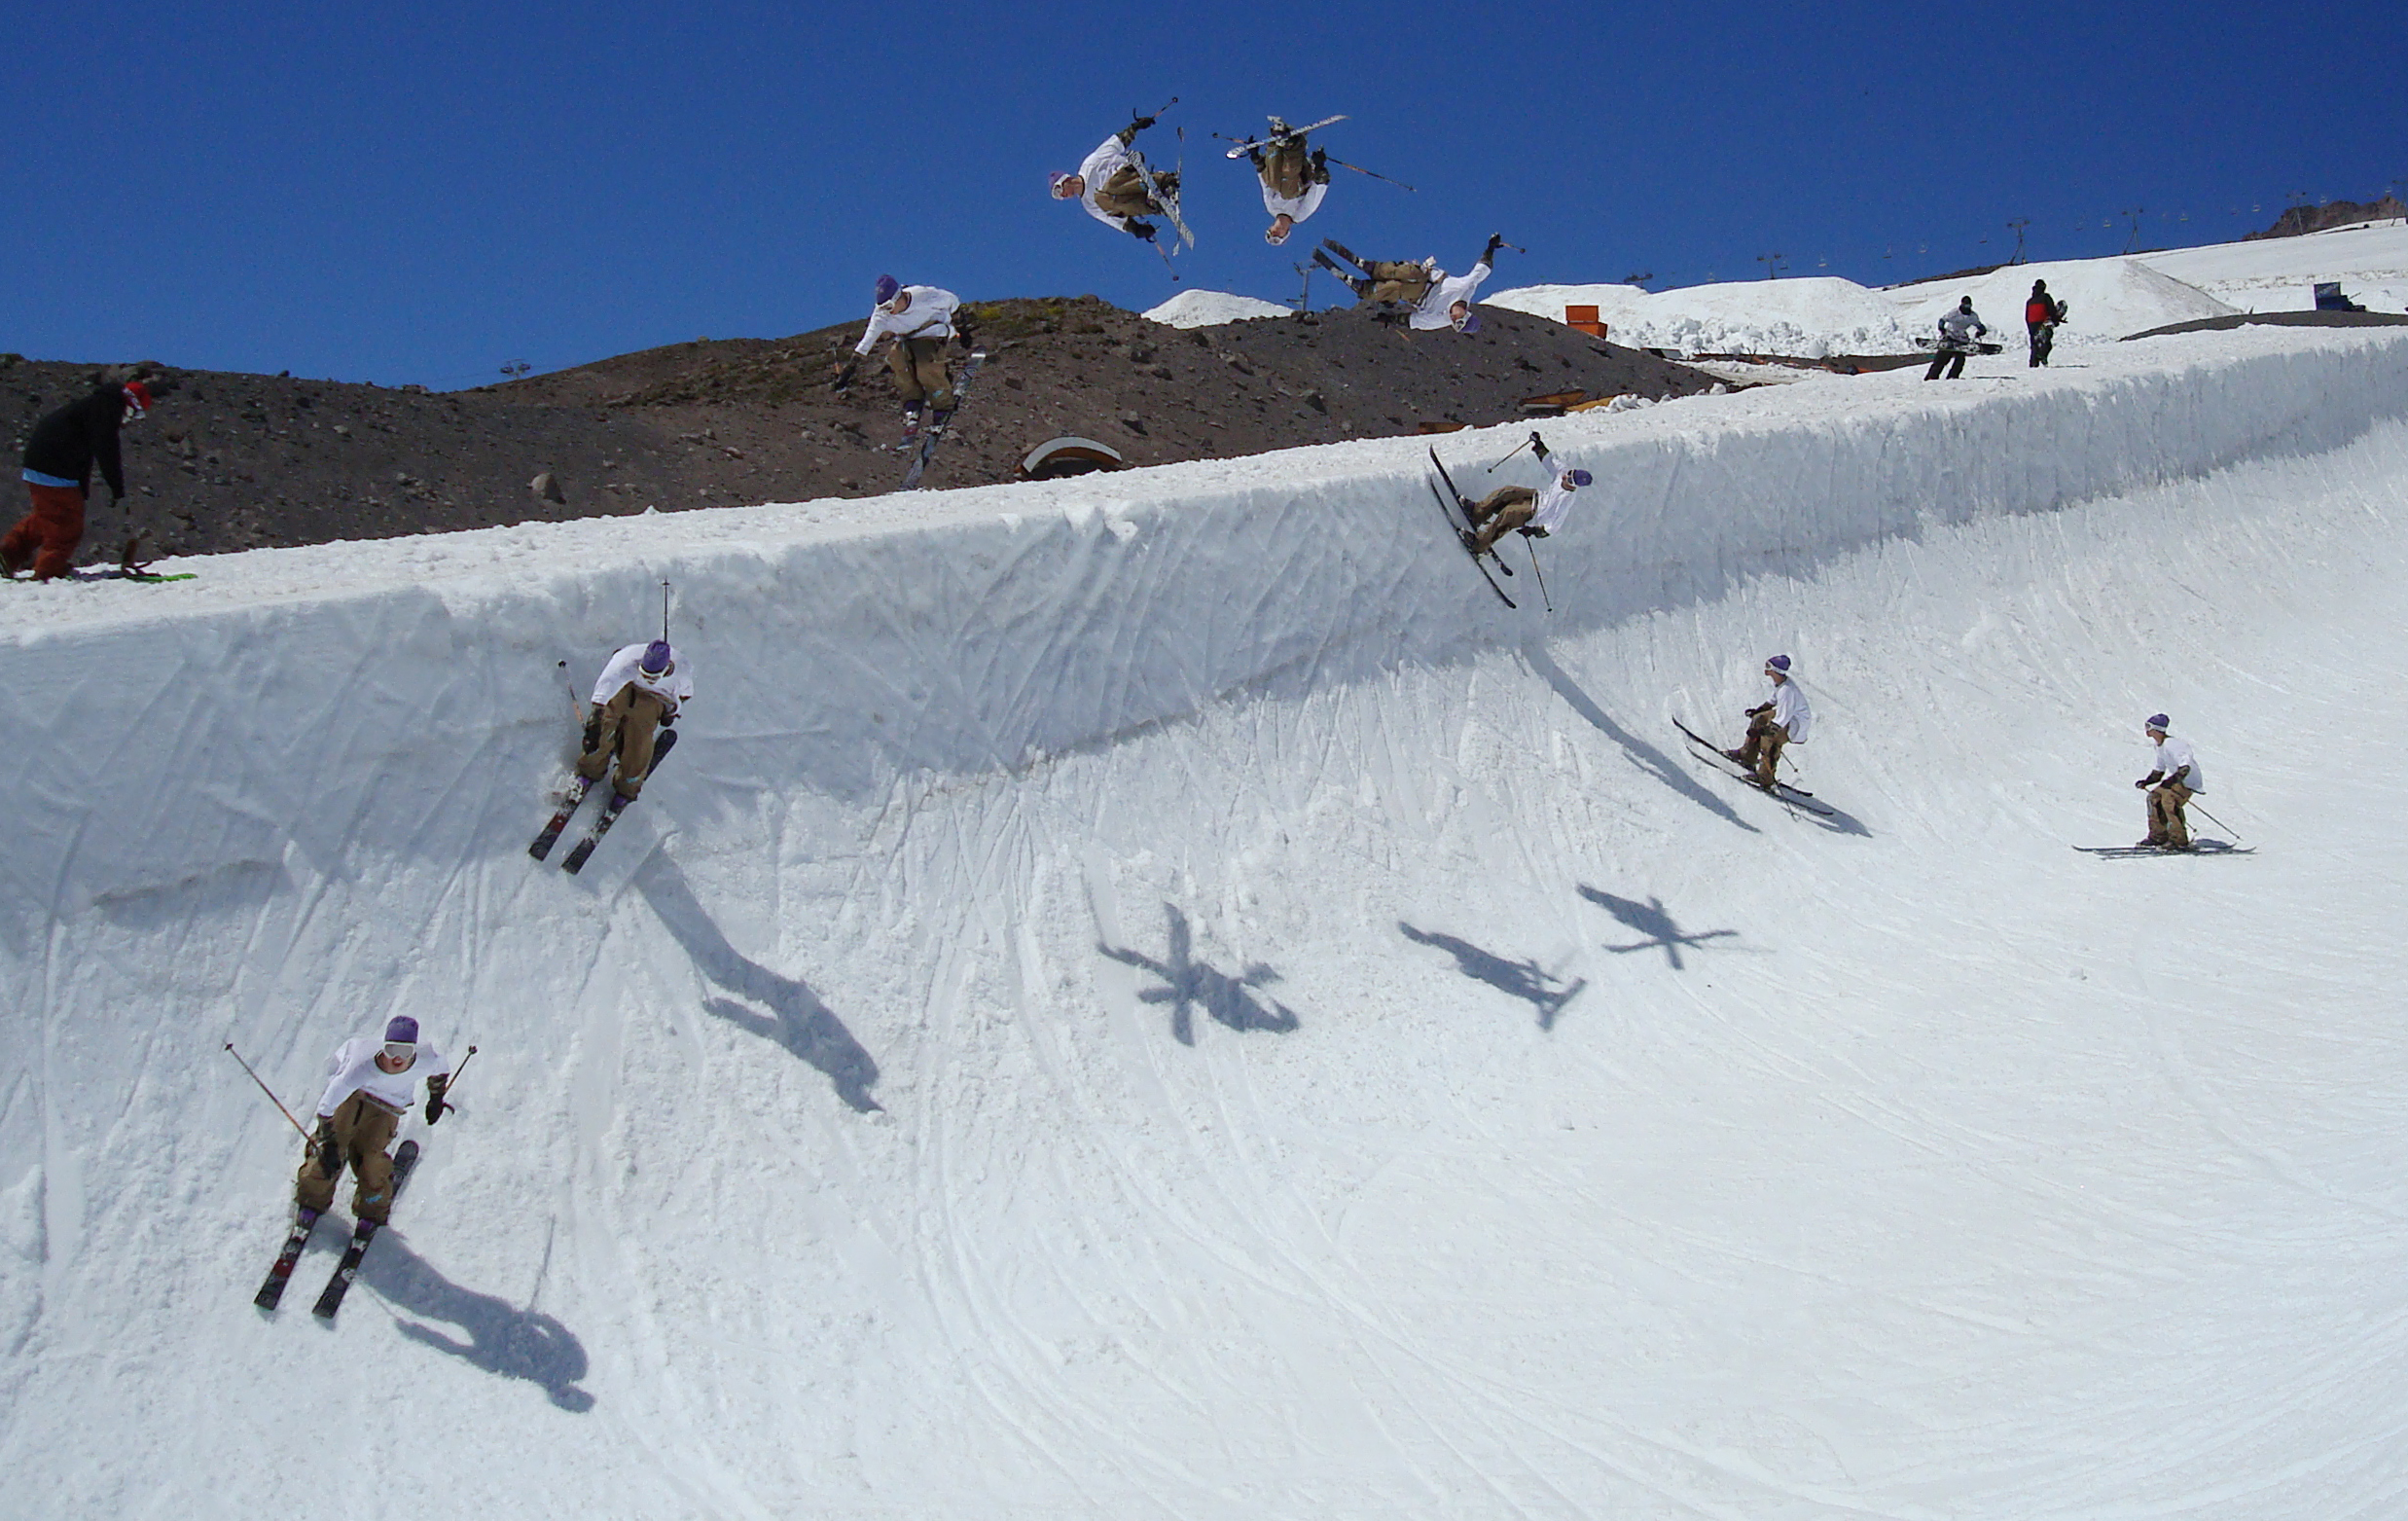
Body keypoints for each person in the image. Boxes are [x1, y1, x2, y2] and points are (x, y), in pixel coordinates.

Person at [294, 1016, 452, 1227]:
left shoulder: (425, 1060)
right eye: (391, 1049)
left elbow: (441, 1070)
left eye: (405, 1051)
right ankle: (311, 1198)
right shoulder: (360, 1065)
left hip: (387, 1105)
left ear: (414, 1050)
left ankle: (372, 1208)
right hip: (352, 1095)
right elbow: (326, 1108)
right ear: (383, 1047)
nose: (397, 1058)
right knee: (328, 1153)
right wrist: (329, 1139)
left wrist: (435, 1098)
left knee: (370, 1159)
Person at [5, 378, 154, 580]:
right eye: (134, 414)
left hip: (39, 464)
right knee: (66, 524)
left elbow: (85, 453)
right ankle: (50, 570)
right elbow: (107, 451)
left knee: (47, 517)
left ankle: (6, 555)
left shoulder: (95, 406)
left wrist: (83, 489)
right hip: (54, 468)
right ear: (130, 405)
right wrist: (117, 489)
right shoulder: (106, 411)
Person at [836, 275, 966, 429]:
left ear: (899, 297)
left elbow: (952, 301)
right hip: (906, 338)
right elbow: (867, 341)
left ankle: (943, 405)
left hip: (931, 332)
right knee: (896, 358)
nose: (887, 311)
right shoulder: (881, 315)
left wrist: (962, 329)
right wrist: (848, 371)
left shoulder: (923, 295)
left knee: (925, 368)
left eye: (889, 306)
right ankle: (913, 403)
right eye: (883, 307)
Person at [577, 638, 692, 802]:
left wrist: (670, 713)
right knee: (606, 723)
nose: (648, 679)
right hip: (628, 684)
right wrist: (595, 719)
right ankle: (591, 767)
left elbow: (684, 694)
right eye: (644, 673)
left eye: (653, 677)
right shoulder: (626, 660)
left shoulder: (682, 670)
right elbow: (606, 685)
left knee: (639, 740)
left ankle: (627, 784)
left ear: (667, 669)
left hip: (656, 697)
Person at [1318, 235, 1505, 333]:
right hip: (1427, 277)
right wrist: (1491, 248)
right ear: (1467, 313)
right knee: (1408, 273)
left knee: (1395, 289)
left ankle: (1367, 289)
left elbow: (1414, 321)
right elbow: (1482, 269)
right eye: (1461, 321)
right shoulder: (1466, 289)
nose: (1455, 321)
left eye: (1457, 326)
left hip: (1417, 295)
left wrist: (1390, 319)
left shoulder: (1440, 320)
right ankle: (1371, 268)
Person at [1050, 114, 1179, 243]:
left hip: (1129, 175)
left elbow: (1115, 144)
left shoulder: (1090, 164)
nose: (1062, 195)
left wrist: (1135, 127)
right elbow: (1114, 219)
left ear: (1065, 180)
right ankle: (1155, 205)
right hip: (1132, 196)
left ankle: (1164, 182)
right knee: (1106, 202)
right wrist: (1137, 229)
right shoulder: (1089, 204)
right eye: (1058, 196)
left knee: (1105, 194)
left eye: (1058, 190)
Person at [1461, 433, 1591, 556]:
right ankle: (1477, 512)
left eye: (1569, 479)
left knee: (1510, 513)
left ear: (1573, 485)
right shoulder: (1562, 472)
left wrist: (1534, 531)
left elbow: (1553, 526)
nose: (1565, 477)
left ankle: (1479, 544)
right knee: (1507, 492)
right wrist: (1538, 444)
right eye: (1570, 473)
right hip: (1537, 497)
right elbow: (1550, 461)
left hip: (1537, 513)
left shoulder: (1565, 500)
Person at [1725, 654, 1814, 788]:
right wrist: (1758, 711)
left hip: (1795, 726)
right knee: (1759, 719)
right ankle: (1747, 756)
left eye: (1768, 666)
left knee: (1769, 738)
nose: (1765, 669)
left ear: (1776, 670)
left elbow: (1782, 719)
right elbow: (1773, 701)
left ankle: (1766, 777)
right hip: (1787, 718)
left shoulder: (1787, 691)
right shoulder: (1781, 684)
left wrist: (1762, 731)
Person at [1246, 120, 1331, 245]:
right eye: (1280, 235)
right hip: (1303, 174)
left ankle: (1275, 143)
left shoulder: (1272, 207)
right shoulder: (1299, 215)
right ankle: (1294, 144)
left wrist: (1256, 159)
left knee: (1273, 182)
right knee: (1287, 193)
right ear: (1287, 233)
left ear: (1270, 227)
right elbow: (1316, 193)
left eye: (1273, 232)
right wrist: (1319, 167)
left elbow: (1265, 186)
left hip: (1285, 172)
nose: (1277, 232)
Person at [2135, 713, 2205, 850]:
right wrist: (2146, 782)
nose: (2146, 729)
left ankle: (2179, 840)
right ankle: (2158, 836)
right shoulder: (2159, 746)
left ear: (2157, 728)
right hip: (2177, 779)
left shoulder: (2172, 744)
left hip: (2189, 781)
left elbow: (2185, 766)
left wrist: (2173, 781)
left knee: (2169, 801)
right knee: (2153, 797)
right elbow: (2159, 770)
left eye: (2148, 726)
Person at [1924, 296, 1988, 380]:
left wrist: (1981, 331)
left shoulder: (1973, 316)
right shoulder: (1954, 313)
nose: (1966, 308)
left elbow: (1979, 325)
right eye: (1965, 305)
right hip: (1951, 336)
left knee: (1960, 361)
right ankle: (1931, 377)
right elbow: (1942, 320)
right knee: (1942, 359)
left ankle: (1953, 377)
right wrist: (1942, 329)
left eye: (1968, 306)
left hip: (1962, 339)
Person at [2025, 279, 2067, 367]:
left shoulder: (2029, 301)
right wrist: (2055, 320)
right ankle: (2041, 356)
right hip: (2043, 322)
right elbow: (2051, 310)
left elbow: (2026, 315)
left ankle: (2033, 363)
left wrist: (2029, 326)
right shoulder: (2046, 297)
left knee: (2034, 343)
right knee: (2047, 342)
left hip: (2031, 323)